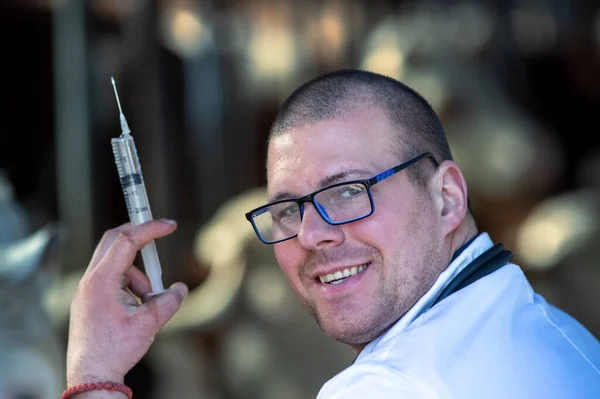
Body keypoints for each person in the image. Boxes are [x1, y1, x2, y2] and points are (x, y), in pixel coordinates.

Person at [64, 70, 600, 398]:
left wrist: (95, 375)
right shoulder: (567, 335)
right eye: (286, 210)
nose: (312, 235)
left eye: (348, 191)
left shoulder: (387, 388)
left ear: (447, 198)